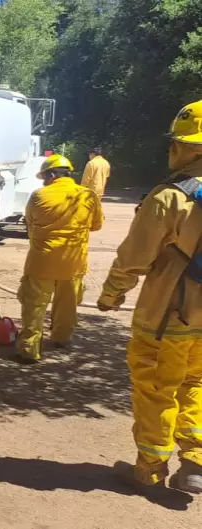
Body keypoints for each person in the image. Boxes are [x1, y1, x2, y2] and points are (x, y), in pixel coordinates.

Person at [97, 100, 202, 494]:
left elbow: (134, 258)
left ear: (189, 149)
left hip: (166, 317)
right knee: (196, 384)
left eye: (177, 143)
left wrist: (111, 295)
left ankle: (150, 469)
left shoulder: (170, 198)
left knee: (156, 388)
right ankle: (196, 462)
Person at [16, 154, 103, 363]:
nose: (44, 182)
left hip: (41, 261)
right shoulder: (88, 196)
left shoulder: (38, 196)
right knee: (67, 304)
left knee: (34, 306)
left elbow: (30, 222)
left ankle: (29, 349)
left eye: (45, 178)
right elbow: (96, 225)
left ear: (52, 175)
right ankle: (62, 338)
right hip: (73, 262)